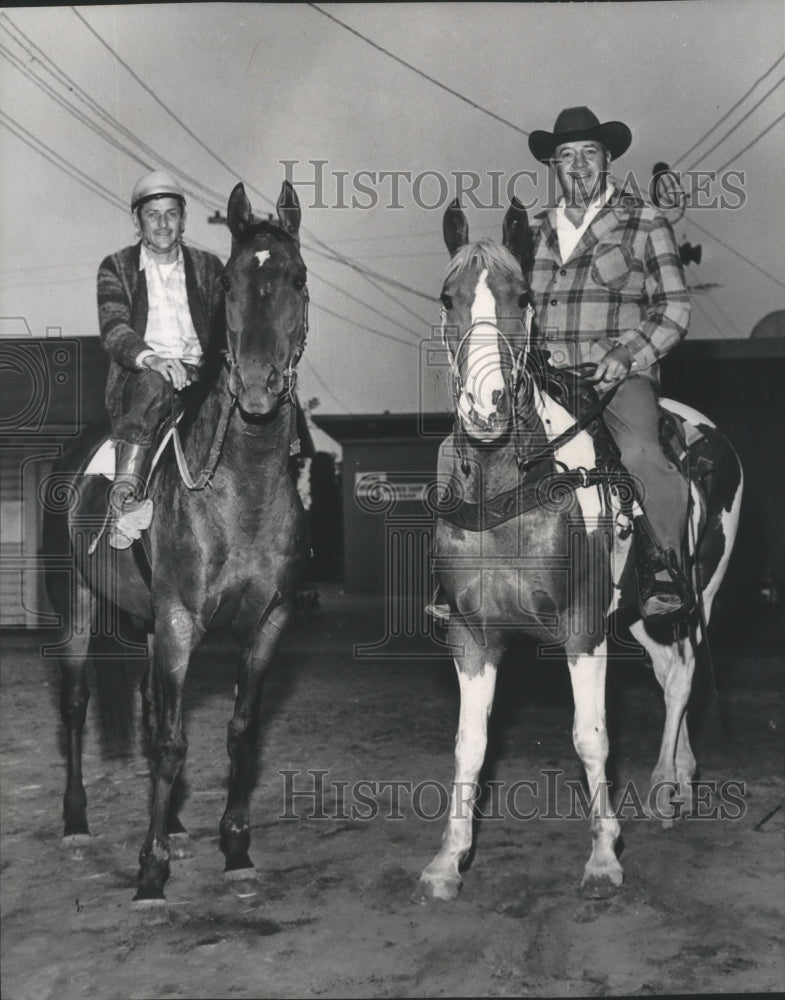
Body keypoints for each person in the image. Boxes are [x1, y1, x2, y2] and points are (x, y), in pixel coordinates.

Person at [526, 106, 694, 623]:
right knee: (474, 446)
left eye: (589, 153)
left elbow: (675, 308)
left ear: (608, 158)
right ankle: (463, 573)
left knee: (642, 454)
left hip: (616, 380)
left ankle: (662, 565)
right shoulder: (534, 229)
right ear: (554, 165)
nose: (577, 165)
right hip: (545, 381)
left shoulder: (644, 220)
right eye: (566, 156)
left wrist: (628, 353)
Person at [97, 170, 225, 548]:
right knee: (154, 385)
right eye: (153, 214)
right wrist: (154, 360)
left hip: (202, 377)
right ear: (137, 221)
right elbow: (115, 329)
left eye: (172, 213)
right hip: (143, 379)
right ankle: (125, 501)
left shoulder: (209, 267)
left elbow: (223, 329)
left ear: (183, 220)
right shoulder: (116, 267)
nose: (163, 223)